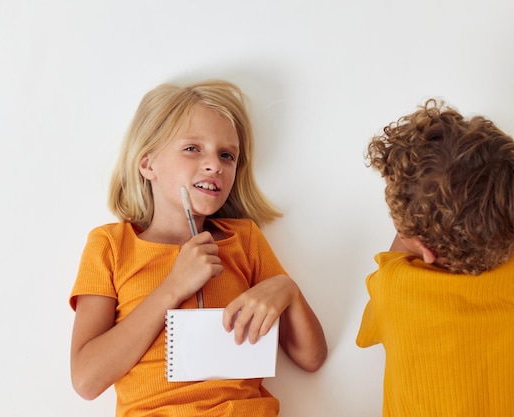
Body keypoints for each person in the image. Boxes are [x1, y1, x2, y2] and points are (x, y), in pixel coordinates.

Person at [69, 80, 328, 417]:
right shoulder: (111, 246)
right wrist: (174, 287)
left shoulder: (244, 240)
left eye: (227, 155)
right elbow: (86, 380)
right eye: (192, 148)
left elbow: (311, 357)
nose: (214, 165)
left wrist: (286, 290)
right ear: (147, 164)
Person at [356, 99, 514, 417]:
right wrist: (496, 206)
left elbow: (394, 262)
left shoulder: (394, 288)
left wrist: (410, 226)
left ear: (426, 250)